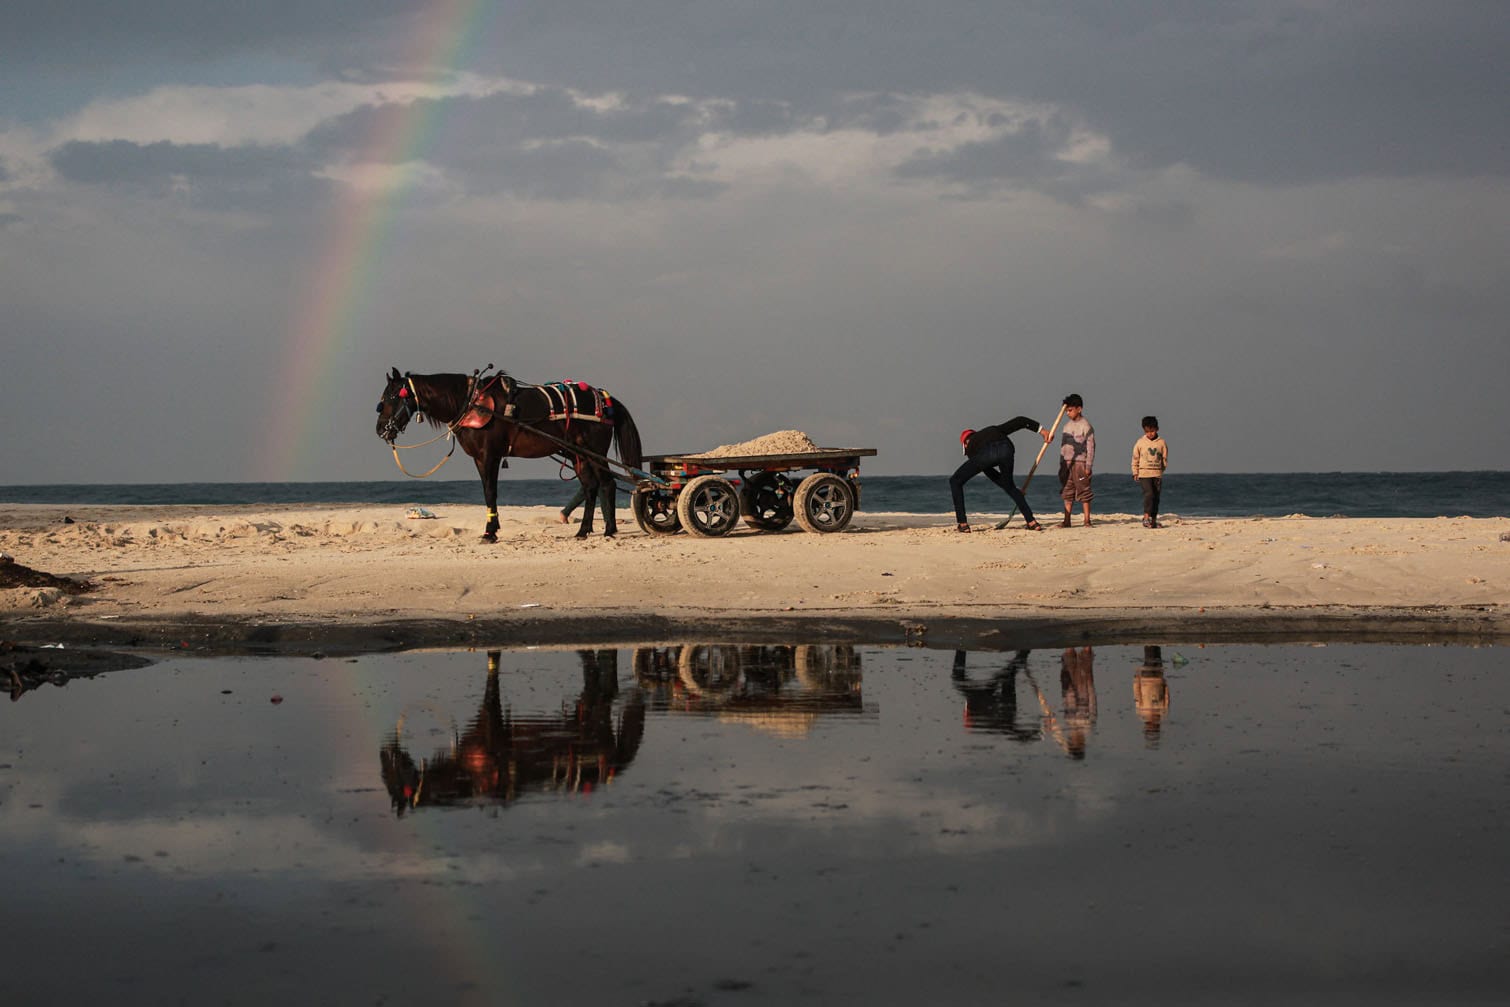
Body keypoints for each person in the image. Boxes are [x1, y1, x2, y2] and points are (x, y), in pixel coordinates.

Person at [950, 417, 1054, 533]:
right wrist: (1042, 431)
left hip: (987, 454)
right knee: (1009, 486)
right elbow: (1019, 421)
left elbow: (991, 474)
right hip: (1007, 448)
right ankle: (1032, 522)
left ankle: (963, 524)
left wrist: (1007, 486)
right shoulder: (992, 430)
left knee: (955, 481)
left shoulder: (971, 448)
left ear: (965, 443)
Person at [1057, 393, 1095, 527]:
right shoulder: (1066, 426)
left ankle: (1087, 520)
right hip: (1067, 463)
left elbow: (1091, 447)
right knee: (1067, 491)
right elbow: (1063, 447)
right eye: (1066, 410)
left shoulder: (1086, 426)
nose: (1068, 413)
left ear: (1079, 409)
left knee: (1084, 490)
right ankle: (1067, 520)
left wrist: (1088, 466)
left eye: (1070, 410)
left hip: (1080, 463)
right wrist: (1061, 464)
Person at [1131, 415, 1168, 529]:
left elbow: (1164, 459)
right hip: (1144, 474)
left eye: (1152, 431)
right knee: (1149, 494)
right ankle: (1146, 517)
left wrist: (1161, 470)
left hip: (1157, 474)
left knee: (1156, 497)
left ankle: (1153, 521)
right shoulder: (1140, 442)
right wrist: (1135, 472)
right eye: (1147, 431)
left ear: (1157, 429)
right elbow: (1135, 458)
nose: (1150, 434)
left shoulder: (1161, 442)